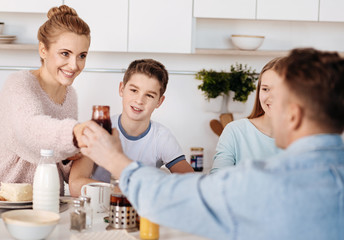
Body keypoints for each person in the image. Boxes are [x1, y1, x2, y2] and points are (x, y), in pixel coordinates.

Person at [77, 48, 344, 240]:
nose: (270, 105)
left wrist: (114, 159)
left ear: (294, 115)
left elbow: (168, 197)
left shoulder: (265, 183)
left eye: (280, 100)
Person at [0, 5, 91, 195]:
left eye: (82, 55)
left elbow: (58, 158)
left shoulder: (70, 95)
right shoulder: (19, 84)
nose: (74, 65)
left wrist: (78, 154)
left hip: (49, 201)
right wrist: (76, 133)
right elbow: (30, 131)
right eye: (65, 53)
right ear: (43, 50)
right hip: (3, 201)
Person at [69, 59, 193, 196]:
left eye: (149, 95)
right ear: (121, 89)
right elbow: (75, 185)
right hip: (99, 210)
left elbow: (190, 185)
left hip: (140, 214)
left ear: (159, 101)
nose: (139, 101)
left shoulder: (162, 137)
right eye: (134, 90)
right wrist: (127, 193)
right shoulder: (99, 129)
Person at [210, 58, 282, 174]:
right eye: (265, 89)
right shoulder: (235, 131)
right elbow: (216, 182)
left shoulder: (307, 137)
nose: (271, 97)